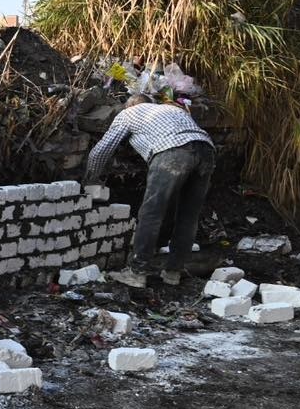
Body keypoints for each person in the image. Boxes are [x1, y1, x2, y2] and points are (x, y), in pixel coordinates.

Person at [83, 94, 215, 288]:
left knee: (151, 213)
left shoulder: (129, 114)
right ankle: (173, 272)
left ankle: (137, 272)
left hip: (173, 151)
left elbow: (101, 150)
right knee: (188, 216)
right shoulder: (172, 109)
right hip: (206, 150)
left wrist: (89, 179)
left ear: (130, 105)